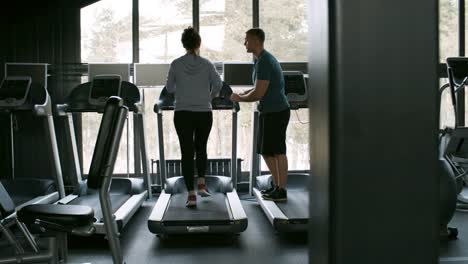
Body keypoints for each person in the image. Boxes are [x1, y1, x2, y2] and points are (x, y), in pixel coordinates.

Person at [230, 28, 290, 202]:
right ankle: (277, 185)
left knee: (278, 151)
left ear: (256, 41)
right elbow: (257, 87)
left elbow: (258, 94)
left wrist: (239, 98)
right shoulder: (259, 60)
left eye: (246, 40)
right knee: (265, 151)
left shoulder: (265, 61)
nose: (244, 43)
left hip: (277, 112)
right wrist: (241, 93)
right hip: (268, 111)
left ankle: (282, 189)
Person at [166, 27, 222, 208]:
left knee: (187, 152)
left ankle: (191, 194)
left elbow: (169, 88)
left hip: (182, 113)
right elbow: (218, 84)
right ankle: (202, 185)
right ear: (199, 43)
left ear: (183, 44)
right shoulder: (207, 64)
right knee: (201, 149)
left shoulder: (175, 64)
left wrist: (182, 92)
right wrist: (209, 96)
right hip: (203, 113)